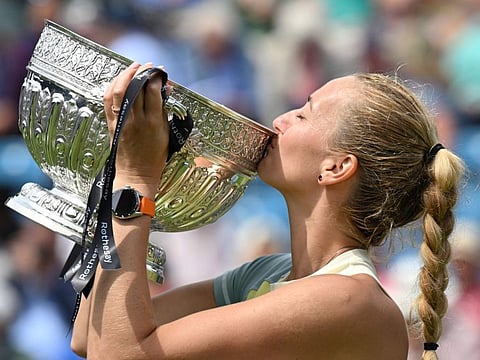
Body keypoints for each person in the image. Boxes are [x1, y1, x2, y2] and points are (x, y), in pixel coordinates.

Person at [70, 62, 464, 359]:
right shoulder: (267, 275)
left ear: (336, 167)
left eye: (304, 113)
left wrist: (136, 179)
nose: (280, 120)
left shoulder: (350, 301)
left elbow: (120, 354)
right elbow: (91, 335)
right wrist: (122, 169)